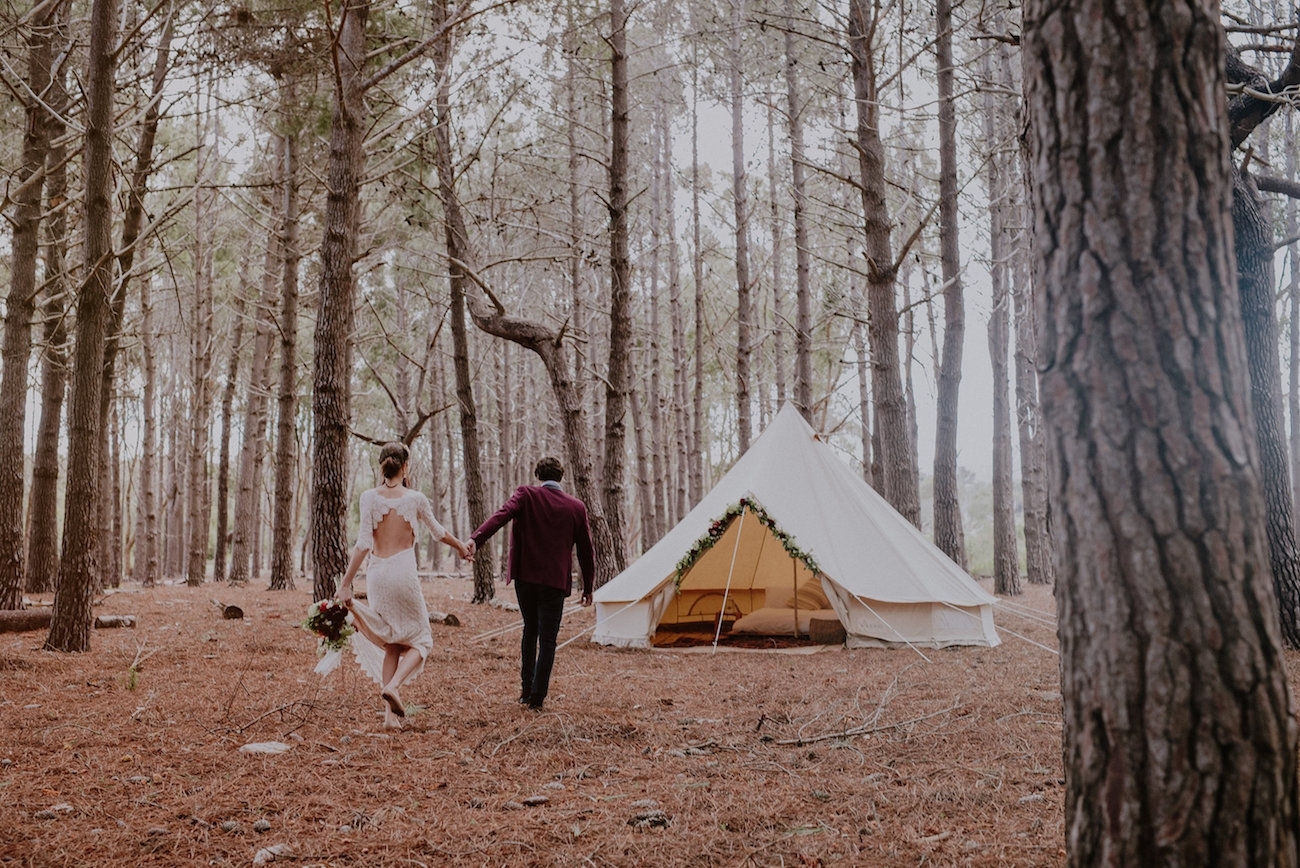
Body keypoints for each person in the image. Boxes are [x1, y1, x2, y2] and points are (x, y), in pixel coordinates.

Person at [335, 442, 471, 729]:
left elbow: (362, 544)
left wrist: (346, 583)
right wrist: (460, 546)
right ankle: (394, 686)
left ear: (381, 466)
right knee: (421, 640)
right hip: (403, 573)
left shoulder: (369, 497)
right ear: (405, 466)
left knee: (393, 644)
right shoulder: (415, 498)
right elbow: (437, 531)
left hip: (377, 575)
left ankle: (388, 718)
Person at [468, 456, 595, 711]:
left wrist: (476, 539)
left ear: (538, 475)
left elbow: (501, 516)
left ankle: (526, 690)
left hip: (526, 579)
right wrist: (588, 586)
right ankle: (537, 697)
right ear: (560, 477)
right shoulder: (576, 507)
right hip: (555, 583)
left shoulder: (526, 495)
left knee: (530, 630)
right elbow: (586, 550)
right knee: (548, 639)